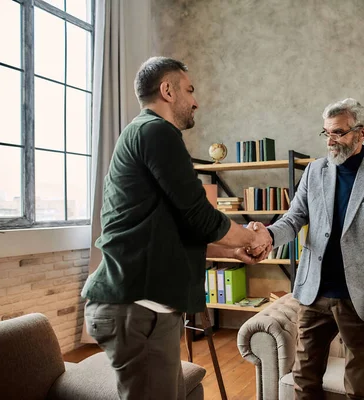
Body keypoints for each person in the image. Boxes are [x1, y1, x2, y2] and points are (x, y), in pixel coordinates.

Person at [81, 56, 272, 400]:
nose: (196, 100)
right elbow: (201, 216)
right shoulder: (155, 131)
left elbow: (179, 230)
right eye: (190, 89)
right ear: (167, 91)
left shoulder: (146, 134)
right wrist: (254, 236)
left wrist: (233, 249)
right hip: (138, 309)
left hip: (139, 309)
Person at [261, 98, 364, 399]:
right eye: (326, 132)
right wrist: (266, 237)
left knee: (360, 388)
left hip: (361, 300)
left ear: (362, 133)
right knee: (305, 380)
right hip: (314, 294)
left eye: (339, 133)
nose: (330, 140)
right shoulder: (315, 171)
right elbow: (294, 219)